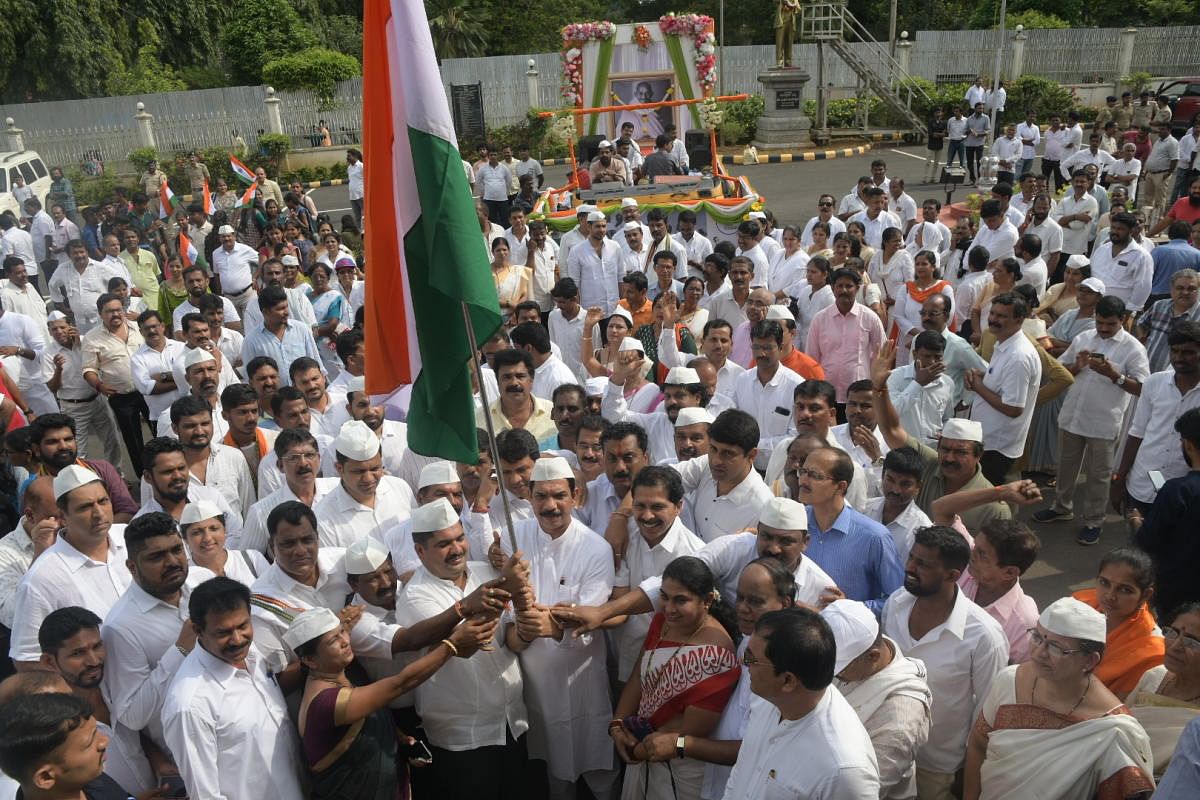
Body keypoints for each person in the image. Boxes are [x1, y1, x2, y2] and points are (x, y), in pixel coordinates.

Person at [287, 601, 493, 799]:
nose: (344, 641)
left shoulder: (348, 671)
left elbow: (368, 721)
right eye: (333, 641)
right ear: (309, 660)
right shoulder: (325, 702)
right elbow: (401, 684)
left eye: (342, 631)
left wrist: (401, 742)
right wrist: (452, 645)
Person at [499, 456, 617, 800]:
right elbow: (508, 608)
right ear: (530, 498)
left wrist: (545, 623)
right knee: (553, 774)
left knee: (599, 768)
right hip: (532, 680)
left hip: (582, 678)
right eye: (541, 497)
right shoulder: (514, 536)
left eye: (558, 496)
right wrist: (525, 626)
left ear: (575, 496)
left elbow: (588, 616)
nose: (550, 506)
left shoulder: (596, 549)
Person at [962, 598, 1154, 800]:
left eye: (1056, 647)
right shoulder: (1008, 680)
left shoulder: (1115, 731)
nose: (1039, 652)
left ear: (1089, 661)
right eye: (1037, 637)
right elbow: (978, 742)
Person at [882, 526, 1008, 800]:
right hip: (886, 751)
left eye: (923, 564)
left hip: (938, 767)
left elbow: (988, 711)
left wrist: (968, 774)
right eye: (912, 557)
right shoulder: (896, 603)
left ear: (953, 575)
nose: (910, 567)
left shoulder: (984, 635)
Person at [161, 576, 305, 798]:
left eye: (243, 626)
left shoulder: (253, 653)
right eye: (223, 632)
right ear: (198, 630)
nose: (238, 639)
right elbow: (204, 795)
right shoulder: (189, 705)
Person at [611, 556, 740, 800]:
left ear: (708, 601)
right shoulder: (662, 622)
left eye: (681, 600)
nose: (669, 608)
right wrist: (617, 724)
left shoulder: (716, 654)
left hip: (681, 764)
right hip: (643, 746)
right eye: (664, 597)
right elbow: (640, 673)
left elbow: (691, 728)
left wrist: (637, 750)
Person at [723, 607, 881, 798]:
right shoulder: (767, 696)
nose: (744, 663)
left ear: (788, 681)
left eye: (751, 658)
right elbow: (741, 773)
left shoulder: (843, 770)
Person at [1032, 295, 1150, 544]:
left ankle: (1094, 521)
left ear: (1123, 320)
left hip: (1104, 422)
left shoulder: (1133, 349)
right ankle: (1061, 507)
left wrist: (1114, 375)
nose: (1104, 329)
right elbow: (1062, 372)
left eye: (1110, 324)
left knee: (1099, 475)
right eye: (1100, 323)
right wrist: (1078, 365)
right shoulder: (1084, 338)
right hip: (1073, 414)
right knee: (1065, 467)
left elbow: (1142, 388)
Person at [8, 465, 132, 668]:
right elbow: (27, 660)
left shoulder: (130, 538)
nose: (99, 513)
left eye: (103, 501)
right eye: (85, 507)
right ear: (63, 517)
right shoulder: (40, 579)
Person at [824, 598, 932, 799]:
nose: (831, 676)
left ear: (873, 656)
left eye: (839, 669)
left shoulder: (902, 715)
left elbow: (868, 788)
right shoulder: (863, 658)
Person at [796, 446, 904, 614]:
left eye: (815, 475)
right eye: (802, 471)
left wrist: (849, 608)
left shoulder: (874, 537)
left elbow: (899, 600)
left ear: (840, 486)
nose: (803, 480)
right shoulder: (795, 523)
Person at [0, 692, 140, 800]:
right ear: (45, 777)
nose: (104, 741)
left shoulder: (88, 780)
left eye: (96, 731)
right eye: (89, 742)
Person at [965, 292, 1042, 485]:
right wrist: (982, 375)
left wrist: (978, 385)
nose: (993, 319)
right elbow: (1001, 382)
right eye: (992, 313)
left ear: (1019, 319)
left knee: (990, 501)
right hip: (988, 439)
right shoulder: (1004, 343)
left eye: (1001, 316)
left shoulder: (1019, 356)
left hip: (997, 446)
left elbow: (1013, 408)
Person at [1073, 548, 1165, 697]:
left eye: (1125, 590)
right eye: (1104, 583)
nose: (1110, 596)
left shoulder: (1150, 651)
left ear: (1145, 595)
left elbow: (1123, 704)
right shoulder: (1079, 605)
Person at [1126, 601, 1200, 778]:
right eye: (1173, 632)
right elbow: (1120, 729)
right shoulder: (1154, 677)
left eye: (1192, 642)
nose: (1175, 647)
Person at [807, 267, 887, 410]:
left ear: (857, 288)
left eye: (848, 286)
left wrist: (876, 388)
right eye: (839, 286)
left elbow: (881, 356)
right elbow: (812, 358)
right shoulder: (820, 319)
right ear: (832, 288)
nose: (843, 290)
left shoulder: (870, 318)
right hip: (826, 393)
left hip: (859, 396)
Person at [180, 500, 268, 586]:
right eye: (197, 532)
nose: (207, 538)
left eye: (214, 529)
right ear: (185, 539)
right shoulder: (183, 577)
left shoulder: (251, 559)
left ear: (225, 530)